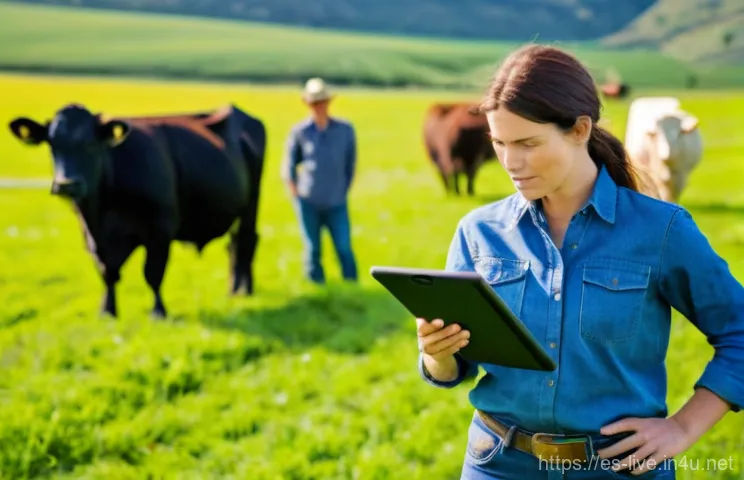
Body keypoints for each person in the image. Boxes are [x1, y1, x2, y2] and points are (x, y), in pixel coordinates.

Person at [416, 44, 744, 479]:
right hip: (496, 463)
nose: (510, 163)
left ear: (579, 129)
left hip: (619, 467)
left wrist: (683, 427)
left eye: (528, 143)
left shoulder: (661, 231)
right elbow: (457, 366)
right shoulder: (478, 232)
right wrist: (437, 357)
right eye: (499, 143)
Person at [281, 77, 358, 284]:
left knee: (343, 246)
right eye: (315, 103)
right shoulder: (300, 132)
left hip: (336, 201)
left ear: (329, 102)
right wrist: (295, 192)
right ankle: (317, 286)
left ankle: (352, 285)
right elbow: (288, 166)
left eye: (322, 102)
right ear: (308, 104)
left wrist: (342, 189)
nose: (319, 107)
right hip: (308, 201)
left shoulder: (345, 130)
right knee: (313, 248)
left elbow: (350, 165)